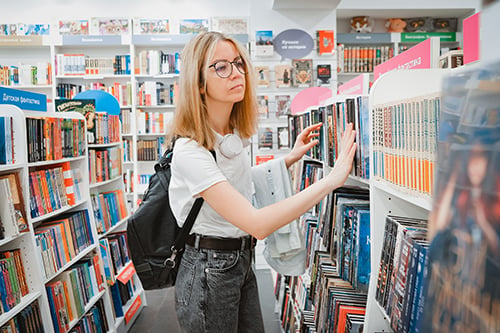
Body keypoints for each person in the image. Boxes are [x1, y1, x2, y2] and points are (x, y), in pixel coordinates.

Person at [167, 31, 356, 333]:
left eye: (238, 63)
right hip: (209, 267)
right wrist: (330, 181)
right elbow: (257, 222)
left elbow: (235, 184)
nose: (236, 73)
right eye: (221, 67)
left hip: (239, 259)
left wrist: (289, 158)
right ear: (198, 83)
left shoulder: (227, 136)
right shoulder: (190, 151)